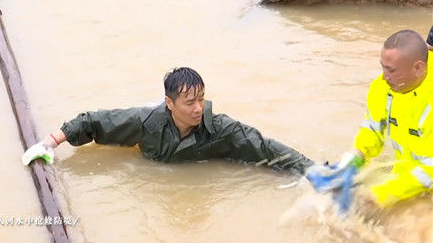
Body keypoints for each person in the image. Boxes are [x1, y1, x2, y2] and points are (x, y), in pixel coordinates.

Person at [22, 67, 313, 174]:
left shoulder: (219, 128)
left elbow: (264, 147)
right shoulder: (145, 121)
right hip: (153, 151)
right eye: (190, 102)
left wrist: (311, 171)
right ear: (170, 103)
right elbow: (93, 121)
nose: (198, 108)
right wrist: (48, 144)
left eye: (202, 99)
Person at [309, 29, 433, 210]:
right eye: (382, 67)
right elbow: (372, 128)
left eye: (391, 70)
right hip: (410, 174)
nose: (384, 76)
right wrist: (357, 157)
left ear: (418, 67)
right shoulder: (380, 88)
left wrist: (383, 193)